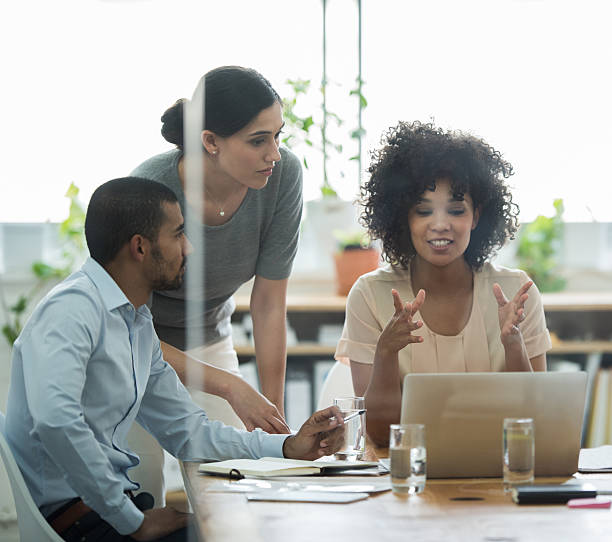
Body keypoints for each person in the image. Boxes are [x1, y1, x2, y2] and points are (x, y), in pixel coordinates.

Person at [5, 177, 345, 542]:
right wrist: (132, 522)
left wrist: (287, 446)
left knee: (252, 526)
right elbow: (56, 421)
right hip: (77, 522)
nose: (189, 248)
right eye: (179, 234)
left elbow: (188, 431)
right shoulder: (71, 311)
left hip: (108, 511)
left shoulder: (134, 322)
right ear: (140, 247)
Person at [335, 121, 552, 446]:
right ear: (402, 217)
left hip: (494, 474)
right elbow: (379, 436)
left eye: (455, 210)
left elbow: (532, 427)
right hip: (408, 476)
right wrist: (385, 352)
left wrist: (513, 345)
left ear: (476, 216)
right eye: (423, 211)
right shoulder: (370, 294)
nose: (440, 225)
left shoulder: (515, 293)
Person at [130, 66, 301, 433]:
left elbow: (270, 303)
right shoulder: (147, 189)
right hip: (134, 347)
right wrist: (230, 386)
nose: (275, 154)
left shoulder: (283, 178)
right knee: (139, 486)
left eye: (277, 136)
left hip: (209, 339)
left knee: (230, 475)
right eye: (258, 141)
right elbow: (125, 326)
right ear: (210, 141)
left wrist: (275, 417)